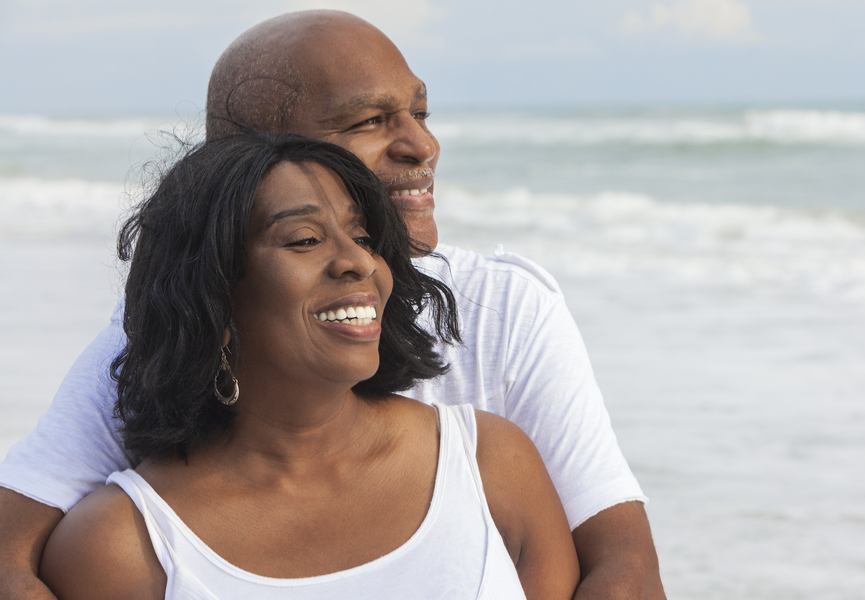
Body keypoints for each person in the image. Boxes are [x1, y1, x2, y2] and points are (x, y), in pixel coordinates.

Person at [0, 10, 666, 600]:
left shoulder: (499, 317)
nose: (423, 145)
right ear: (242, 163)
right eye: (370, 121)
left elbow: (626, 569)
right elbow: (10, 556)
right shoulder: (160, 344)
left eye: (420, 113)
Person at [37, 132, 579, 599]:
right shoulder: (124, 545)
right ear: (212, 296)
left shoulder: (490, 465)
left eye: (363, 236)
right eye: (305, 240)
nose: (359, 261)